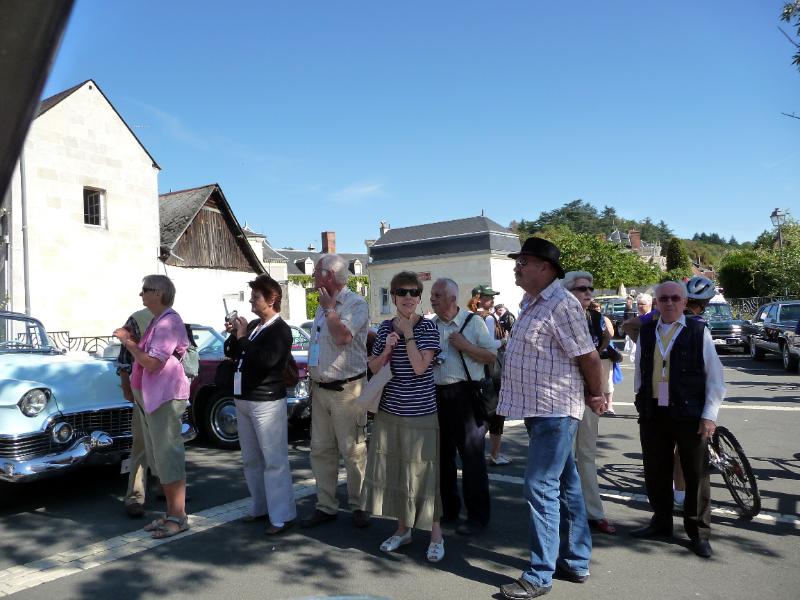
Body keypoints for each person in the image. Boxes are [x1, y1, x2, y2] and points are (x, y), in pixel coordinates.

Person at [495, 238, 605, 600]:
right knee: (568, 485)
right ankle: (575, 560)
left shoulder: (561, 303)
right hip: (539, 409)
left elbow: (588, 356)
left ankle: (539, 574)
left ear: (545, 267)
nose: (516, 266)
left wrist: (596, 394)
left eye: (522, 261)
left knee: (539, 486)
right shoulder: (531, 301)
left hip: (555, 410)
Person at [630, 280, 725, 559]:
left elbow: (716, 378)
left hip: (689, 413)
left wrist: (709, 416)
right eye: (663, 299)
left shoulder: (697, 330)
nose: (669, 303)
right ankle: (661, 522)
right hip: (653, 412)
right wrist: (640, 400)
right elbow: (639, 371)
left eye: (675, 298)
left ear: (684, 303)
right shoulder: (648, 331)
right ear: (657, 303)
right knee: (655, 469)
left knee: (696, 474)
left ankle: (698, 532)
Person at [363, 271, 445, 562]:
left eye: (413, 292)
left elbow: (421, 367)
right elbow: (373, 368)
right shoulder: (384, 328)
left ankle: (435, 535)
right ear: (394, 296)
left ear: (419, 297)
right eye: (402, 292)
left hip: (421, 414)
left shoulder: (428, 328)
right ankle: (403, 529)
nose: (408, 297)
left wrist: (408, 334)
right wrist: (386, 349)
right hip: (390, 412)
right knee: (398, 472)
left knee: (425, 475)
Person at [112, 275, 190, 539]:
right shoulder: (159, 321)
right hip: (155, 399)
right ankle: (171, 514)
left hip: (165, 398)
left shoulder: (169, 322)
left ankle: (178, 517)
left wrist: (128, 342)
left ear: (159, 293)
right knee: (160, 458)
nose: (141, 294)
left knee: (168, 457)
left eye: (145, 290)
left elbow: (153, 363)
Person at [301, 254, 371, 529]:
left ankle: (360, 506)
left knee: (353, 451)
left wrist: (330, 309)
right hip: (320, 389)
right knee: (321, 450)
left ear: (329, 275)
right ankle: (326, 506)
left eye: (317, 272)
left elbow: (342, 337)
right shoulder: (322, 303)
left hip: (347, 389)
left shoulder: (355, 303)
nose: (313, 277)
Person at [224, 274, 297, 535]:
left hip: (266, 400)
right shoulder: (255, 326)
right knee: (251, 459)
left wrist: (243, 339)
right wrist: (234, 335)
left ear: (272, 299)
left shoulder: (280, 330)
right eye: (253, 296)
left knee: (274, 460)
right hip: (244, 398)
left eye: (256, 297)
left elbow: (267, 360)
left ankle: (282, 515)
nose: (252, 301)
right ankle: (260, 506)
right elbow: (233, 353)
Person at [430, 278, 496, 536]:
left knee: (472, 458)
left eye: (437, 295)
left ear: (452, 298)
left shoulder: (473, 322)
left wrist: (466, 346)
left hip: (466, 396)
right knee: (442, 457)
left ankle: (477, 516)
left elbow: (491, 355)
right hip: (437, 395)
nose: (432, 299)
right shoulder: (431, 326)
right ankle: (450, 510)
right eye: (432, 295)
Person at [563, 273, 616, 536]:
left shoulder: (595, 319)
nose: (588, 293)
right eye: (581, 289)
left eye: (590, 289)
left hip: (589, 396)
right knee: (562, 457)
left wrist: (600, 392)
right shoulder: (559, 319)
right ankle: (566, 509)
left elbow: (601, 352)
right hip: (562, 397)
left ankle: (594, 512)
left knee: (585, 455)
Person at [672, 276, 717, 511]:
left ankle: (679, 494)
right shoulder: (700, 326)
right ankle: (684, 497)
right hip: (695, 393)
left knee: (680, 449)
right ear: (706, 302)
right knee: (688, 447)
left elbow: (633, 326)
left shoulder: (664, 317)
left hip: (670, 393)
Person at [116, 307, 153, 517]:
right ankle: (135, 496)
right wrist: (127, 387)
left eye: (146, 290)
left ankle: (171, 491)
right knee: (141, 443)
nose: (142, 295)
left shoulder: (172, 318)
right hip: (143, 390)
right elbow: (124, 358)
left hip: (166, 392)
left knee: (168, 444)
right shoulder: (137, 319)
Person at [473, 284, 512, 466]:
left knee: (486, 411)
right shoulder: (487, 317)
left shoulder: (470, 317)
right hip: (493, 368)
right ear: (479, 298)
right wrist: (503, 340)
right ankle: (494, 454)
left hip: (480, 369)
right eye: (489, 297)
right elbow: (489, 344)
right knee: (495, 411)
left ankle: (486, 453)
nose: (493, 300)